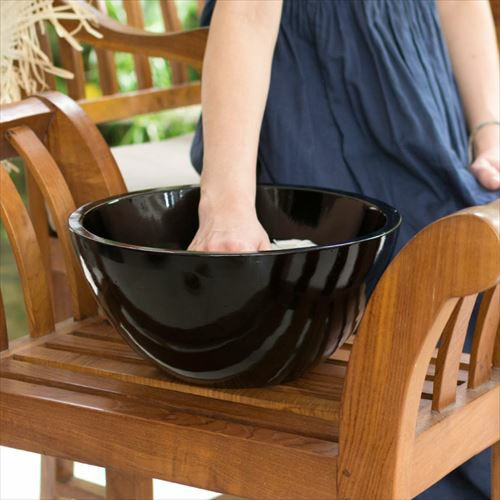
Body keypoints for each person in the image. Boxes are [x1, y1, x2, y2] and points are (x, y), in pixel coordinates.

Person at [188, 0, 499, 498]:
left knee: (471, 283)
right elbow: (247, 14)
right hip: (305, 86)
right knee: (385, 316)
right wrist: (226, 206)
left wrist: (490, 130)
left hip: (416, 91)